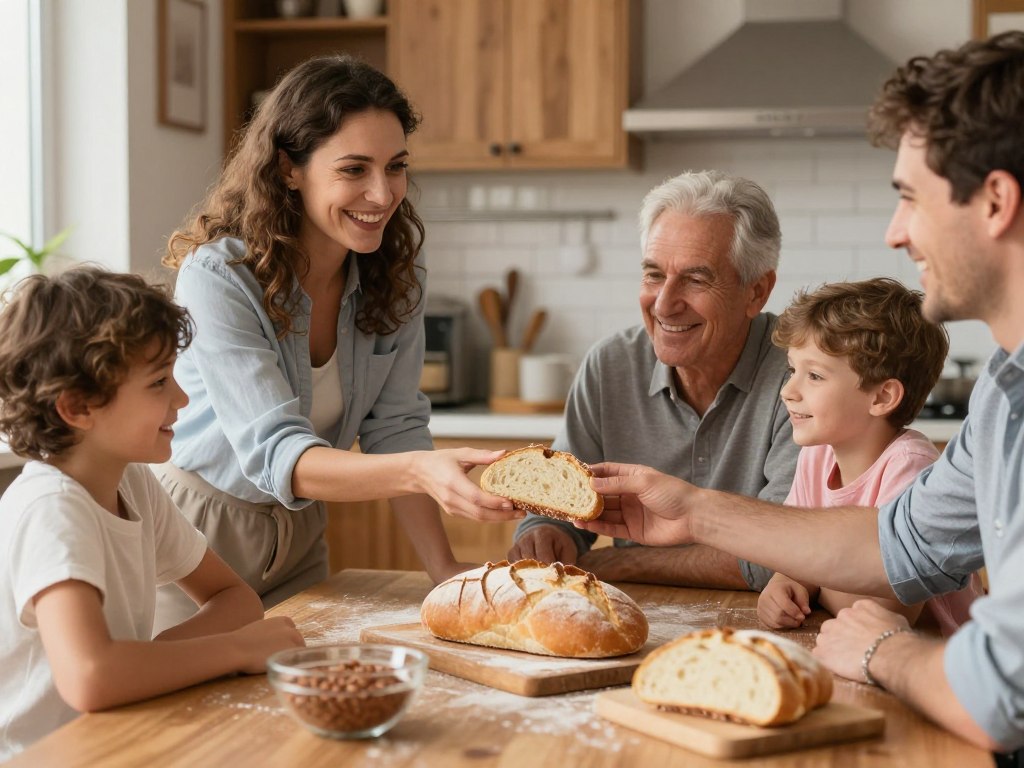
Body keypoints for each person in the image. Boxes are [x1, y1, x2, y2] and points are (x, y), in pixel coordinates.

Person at [576, 31, 1024, 760]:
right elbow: (897, 542)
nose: (894, 232)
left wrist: (884, 650)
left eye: (911, 197)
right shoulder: (1006, 393)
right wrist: (690, 508)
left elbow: (1004, 696)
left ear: (996, 201)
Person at [159, 55, 519, 629]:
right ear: (288, 169)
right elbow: (278, 455)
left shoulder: (396, 272)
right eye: (354, 169)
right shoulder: (219, 277)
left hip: (301, 539)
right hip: (193, 537)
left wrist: (444, 568)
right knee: (188, 717)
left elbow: (395, 426)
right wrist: (422, 471)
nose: (382, 194)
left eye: (395, 166)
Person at [0, 268, 305, 760]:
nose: (182, 399)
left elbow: (235, 598)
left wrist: (152, 660)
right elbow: (91, 677)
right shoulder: (51, 509)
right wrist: (237, 650)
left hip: (116, 741)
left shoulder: (132, 481)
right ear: (77, 407)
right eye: (159, 382)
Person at [508, 170, 799, 591]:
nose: (664, 304)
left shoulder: (803, 377)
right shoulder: (610, 366)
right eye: (654, 275)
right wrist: (549, 535)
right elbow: (563, 508)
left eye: (696, 279)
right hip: (632, 616)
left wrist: (615, 565)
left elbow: (784, 553)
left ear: (756, 292)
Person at [757, 277, 982, 634]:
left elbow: (887, 613)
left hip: (935, 660)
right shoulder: (816, 456)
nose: (788, 391)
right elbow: (793, 552)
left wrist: (811, 576)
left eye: (814, 375)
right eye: (792, 370)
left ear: (881, 397)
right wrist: (784, 582)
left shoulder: (910, 467)